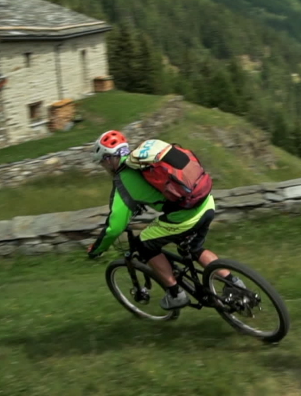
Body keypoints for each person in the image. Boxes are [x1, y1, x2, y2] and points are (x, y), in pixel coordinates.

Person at [86, 130, 244, 310]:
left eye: (102, 163)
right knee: (195, 248)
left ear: (108, 159)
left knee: (144, 244)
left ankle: (175, 293)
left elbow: (114, 227)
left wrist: (97, 249)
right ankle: (234, 283)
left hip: (185, 216)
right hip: (206, 202)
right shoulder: (145, 160)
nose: (104, 168)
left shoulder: (123, 180)